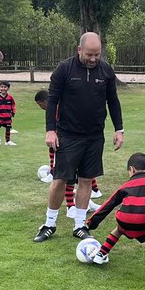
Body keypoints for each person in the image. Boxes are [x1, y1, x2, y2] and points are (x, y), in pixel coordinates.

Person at [33, 32, 124, 242]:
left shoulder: (105, 70)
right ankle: (49, 223)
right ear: (79, 50)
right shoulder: (64, 69)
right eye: (89, 54)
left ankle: (80, 225)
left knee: (85, 180)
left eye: (97, 55)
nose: (93, 59)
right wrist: (50, 130)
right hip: (68, 135)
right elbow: (53, 100)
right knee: (59, 180)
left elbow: (113, 101)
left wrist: (119, 129)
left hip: (94, 137)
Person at [0, 81, 17, 146]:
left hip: (7, 116)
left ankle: (7, 141)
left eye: (5, 87)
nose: (3, 88)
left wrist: (13, 111)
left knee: (8, 128)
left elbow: (13, 105)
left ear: (8, 88)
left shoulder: (10, 97)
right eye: (1, 87)